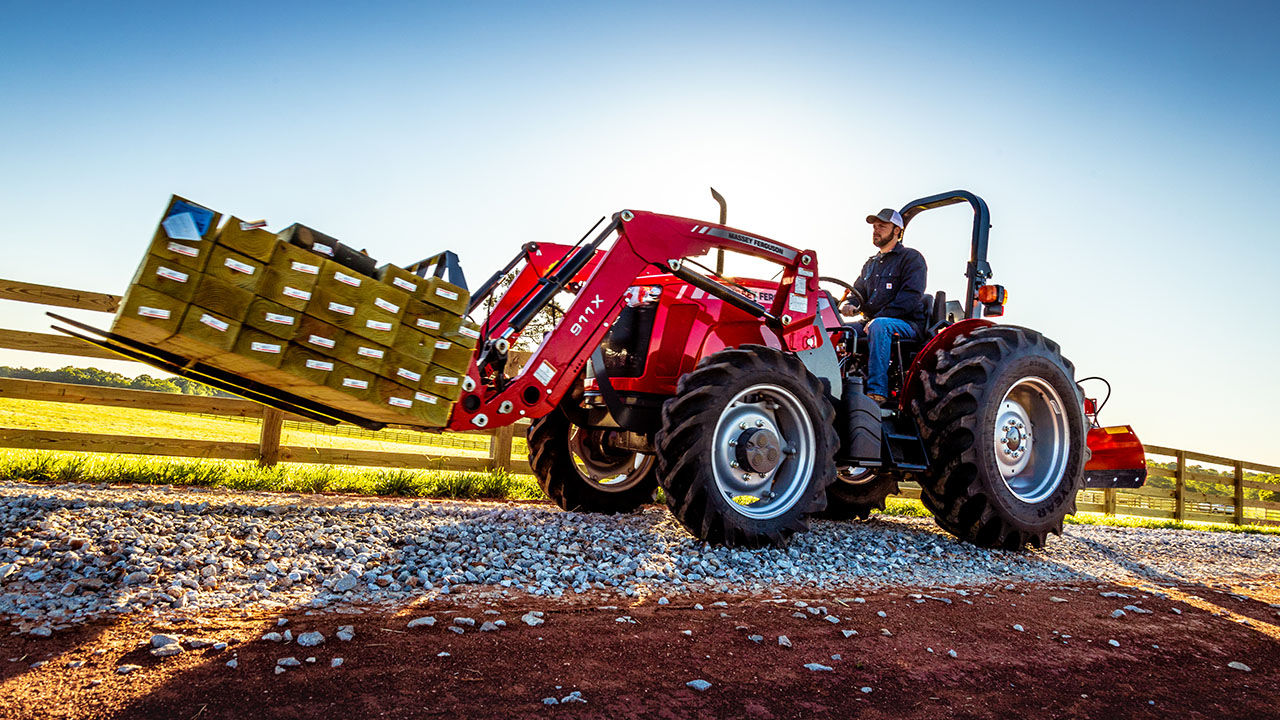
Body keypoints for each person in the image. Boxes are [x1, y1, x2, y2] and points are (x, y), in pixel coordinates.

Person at [840, 208, 928, 405]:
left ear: (897, 230)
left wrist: (875, 319)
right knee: (839, 329)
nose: (876, 230)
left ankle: (877, 393)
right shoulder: (871, 264)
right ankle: (836, 383)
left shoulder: (911, 258)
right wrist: (849, 304)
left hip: (907, 324)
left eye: (882, 226)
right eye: (874, 226)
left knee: (879, 326)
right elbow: (858, 292)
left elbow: (910, 298)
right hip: (872, 322)